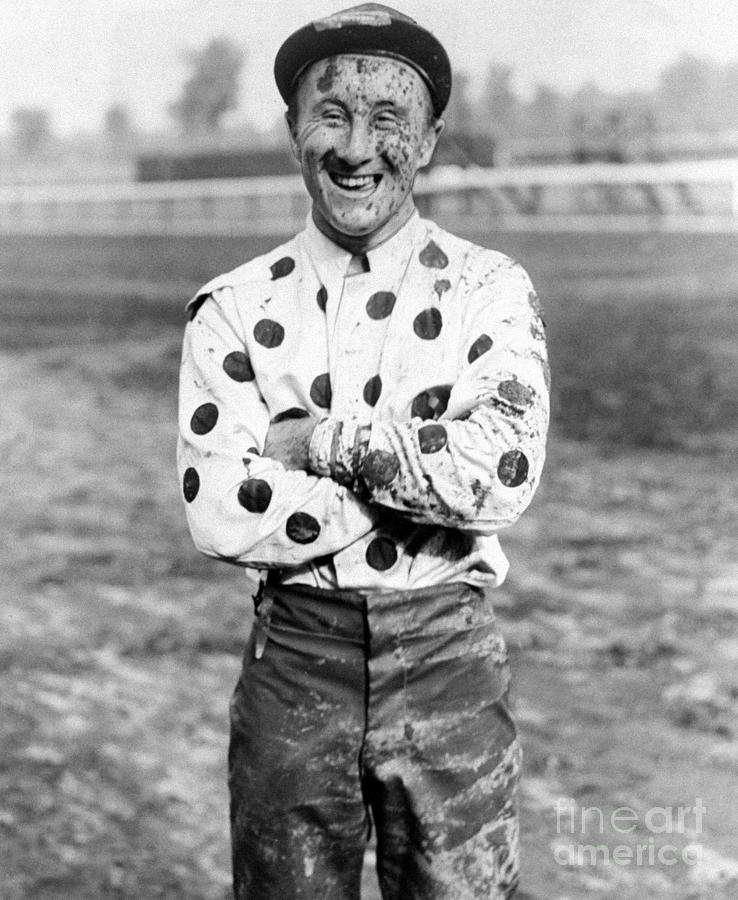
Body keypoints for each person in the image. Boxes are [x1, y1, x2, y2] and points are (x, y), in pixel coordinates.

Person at [177, 4, 549, 897]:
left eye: (389, 119)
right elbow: (221, 512)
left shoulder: (488, 288)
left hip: (449, 660)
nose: (357, 147)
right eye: (332, 114)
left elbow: (500, 477)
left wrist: (314, 444)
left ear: (427, 142)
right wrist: (416, 483)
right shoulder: (230, 306)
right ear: (293, 130)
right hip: (296, 665)